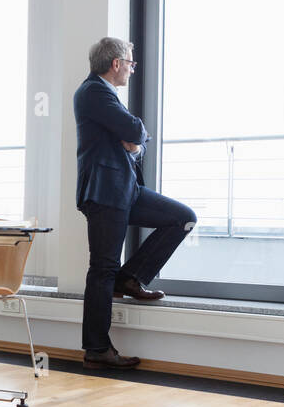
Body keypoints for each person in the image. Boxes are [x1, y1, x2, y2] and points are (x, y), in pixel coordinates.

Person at [73, 37, 196, 369]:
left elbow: (135, 138)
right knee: (102, 268)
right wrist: (135, 138)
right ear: (116, 63)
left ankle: (130, 278)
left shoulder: (107, 96)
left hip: (125, 190)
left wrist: (135, 143)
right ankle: (96, 348)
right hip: (104, 191)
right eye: (130, 63)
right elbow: (134, 129)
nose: (131, 68)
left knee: (182, 218)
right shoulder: (93, 92)